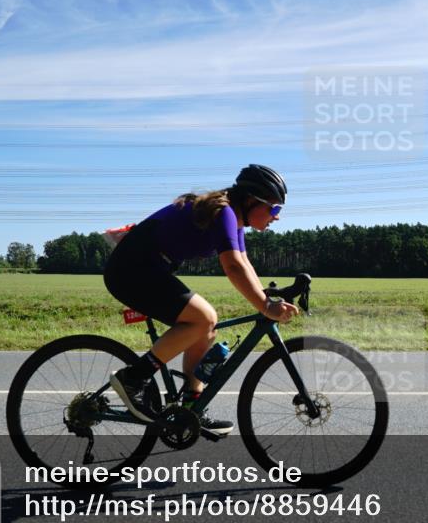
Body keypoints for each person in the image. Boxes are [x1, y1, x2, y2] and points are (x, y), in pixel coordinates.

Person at [102, 164, 299, 434]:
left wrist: (265, 298)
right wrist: (265, 307)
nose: (276, 217)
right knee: (203, 317)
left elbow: (245, 264)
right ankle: (131, 380)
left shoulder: (233, 218)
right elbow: (233, 267)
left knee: (206, 329)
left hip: (147, 268)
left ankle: (191, 409)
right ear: (252, 200)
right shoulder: (224, 213)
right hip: (131, 269)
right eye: (274, 209)